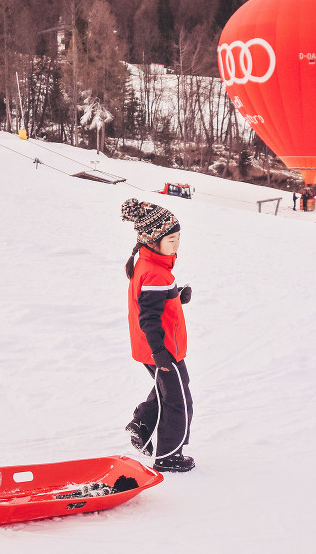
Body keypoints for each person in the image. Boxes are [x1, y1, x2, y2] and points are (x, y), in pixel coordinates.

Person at [121, 198, 195, 472]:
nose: (176, 245)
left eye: (178, 239)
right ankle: (169, 456)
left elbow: (153, 304)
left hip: (154, 347)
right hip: (162, 348)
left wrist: (176, 296)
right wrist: (160, 352)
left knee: (170, 389)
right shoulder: (155, 274)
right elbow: (149, 318)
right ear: (152, 240)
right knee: (178, 400)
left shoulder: (150, 265)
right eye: (171, 240)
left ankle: (142, 424)